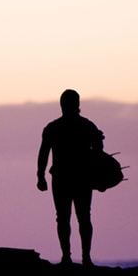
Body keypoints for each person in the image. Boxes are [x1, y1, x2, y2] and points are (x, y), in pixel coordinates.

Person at [37, 89, 105, 266]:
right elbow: (44, 153)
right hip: (73, 178)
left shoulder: (54, 127)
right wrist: (40, 176)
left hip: (67, 178)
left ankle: (74, 257)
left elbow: (43, 153)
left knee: (68, 217)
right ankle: (78, 257)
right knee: (77, 217)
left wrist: (41, 176)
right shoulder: (86, 126)